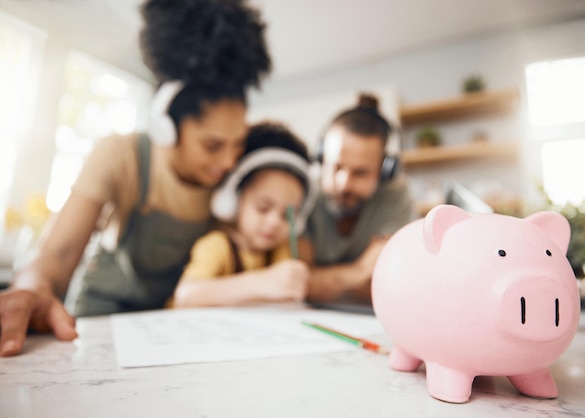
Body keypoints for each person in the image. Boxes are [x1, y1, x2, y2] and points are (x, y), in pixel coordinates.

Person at [0, 0, 271, 356]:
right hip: (101, 324)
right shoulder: (120, 155)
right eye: (212, 145)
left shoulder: (234, 177)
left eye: (238, 144)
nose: (228, 160)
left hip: (171, 331)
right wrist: (33, 290)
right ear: (166, 128)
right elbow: (58, 255)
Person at [170, 122, 315, 307]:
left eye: (288, 215)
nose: (274, 222)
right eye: (263, 208)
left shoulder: (281, 250)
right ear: (233, 200)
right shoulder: (217, 246)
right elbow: (186, 296)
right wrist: (264, 281)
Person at [301, 93, 414, 304]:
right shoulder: (303, 191)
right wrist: (359, 271)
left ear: (384, 172)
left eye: (360, 172)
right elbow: (300, 284)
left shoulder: (395, 194)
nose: (344, 184)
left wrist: (325, 280)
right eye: (335, 167)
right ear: (320, 157)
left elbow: (388, 284)